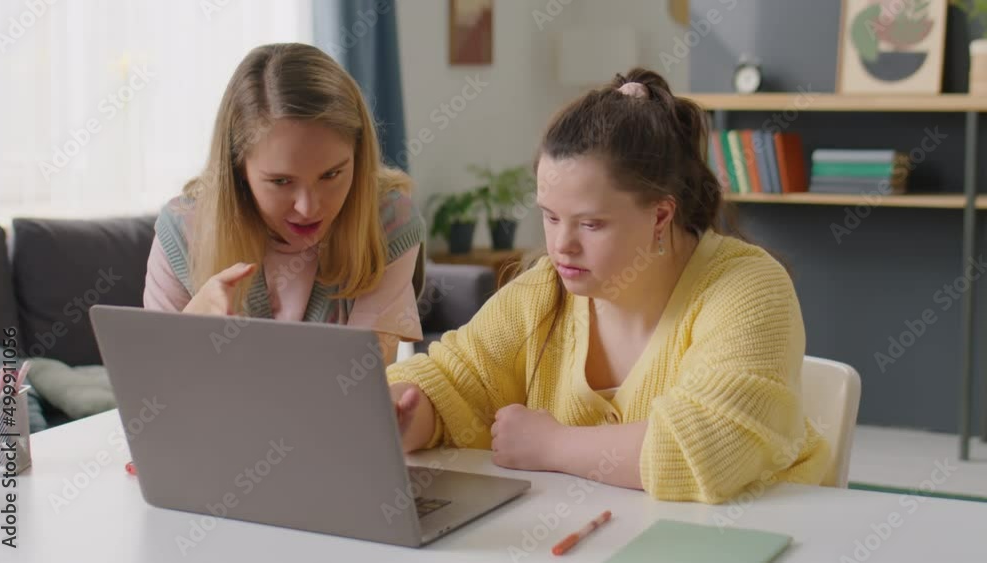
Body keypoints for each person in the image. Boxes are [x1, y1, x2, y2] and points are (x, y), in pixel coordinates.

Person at [388, 68, 830, 504]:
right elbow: (454, 381)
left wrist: (552, 445)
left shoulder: (749, 289)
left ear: (660, 215)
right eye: (550, 216)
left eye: (591, 224)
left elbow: (711, 449)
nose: (561, 246)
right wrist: (405, 412)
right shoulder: (543, 290)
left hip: (762, 533)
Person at [143, 43, 426, 366]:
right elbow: (153, 380)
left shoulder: (389, 219)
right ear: (238, 168)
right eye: (281, 181)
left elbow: (360, 378)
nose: (308, 208)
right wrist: (188, 329)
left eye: (331, 174)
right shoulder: (183, 228)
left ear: (358, 157)